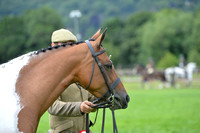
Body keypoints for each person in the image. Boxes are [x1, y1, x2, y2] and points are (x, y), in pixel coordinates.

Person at [48, 29, 96, 133]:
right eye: (65, 45)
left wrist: (102, 97)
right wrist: (79, 107)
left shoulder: (78, 70)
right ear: (53, 45)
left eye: (72, 45)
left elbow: (89, 97)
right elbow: (52, 106)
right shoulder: (50, 72)